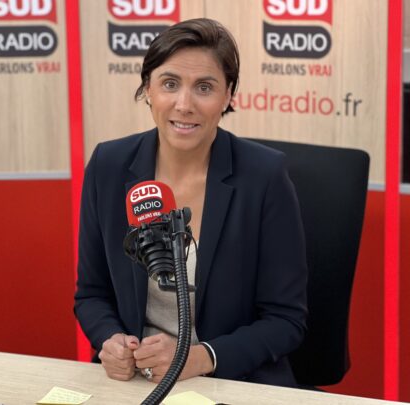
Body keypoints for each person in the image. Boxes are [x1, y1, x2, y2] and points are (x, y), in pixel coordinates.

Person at [74, 18, 307, 388]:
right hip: (136, 380)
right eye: (169, 84)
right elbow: (91, 293)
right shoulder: (108, 166)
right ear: (147, 88)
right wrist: (110, 339)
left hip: (231, 379)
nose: (184, 104)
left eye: (204, 87)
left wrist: (200, 358)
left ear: (229, 94)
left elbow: (285, 320)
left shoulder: (264, 176)